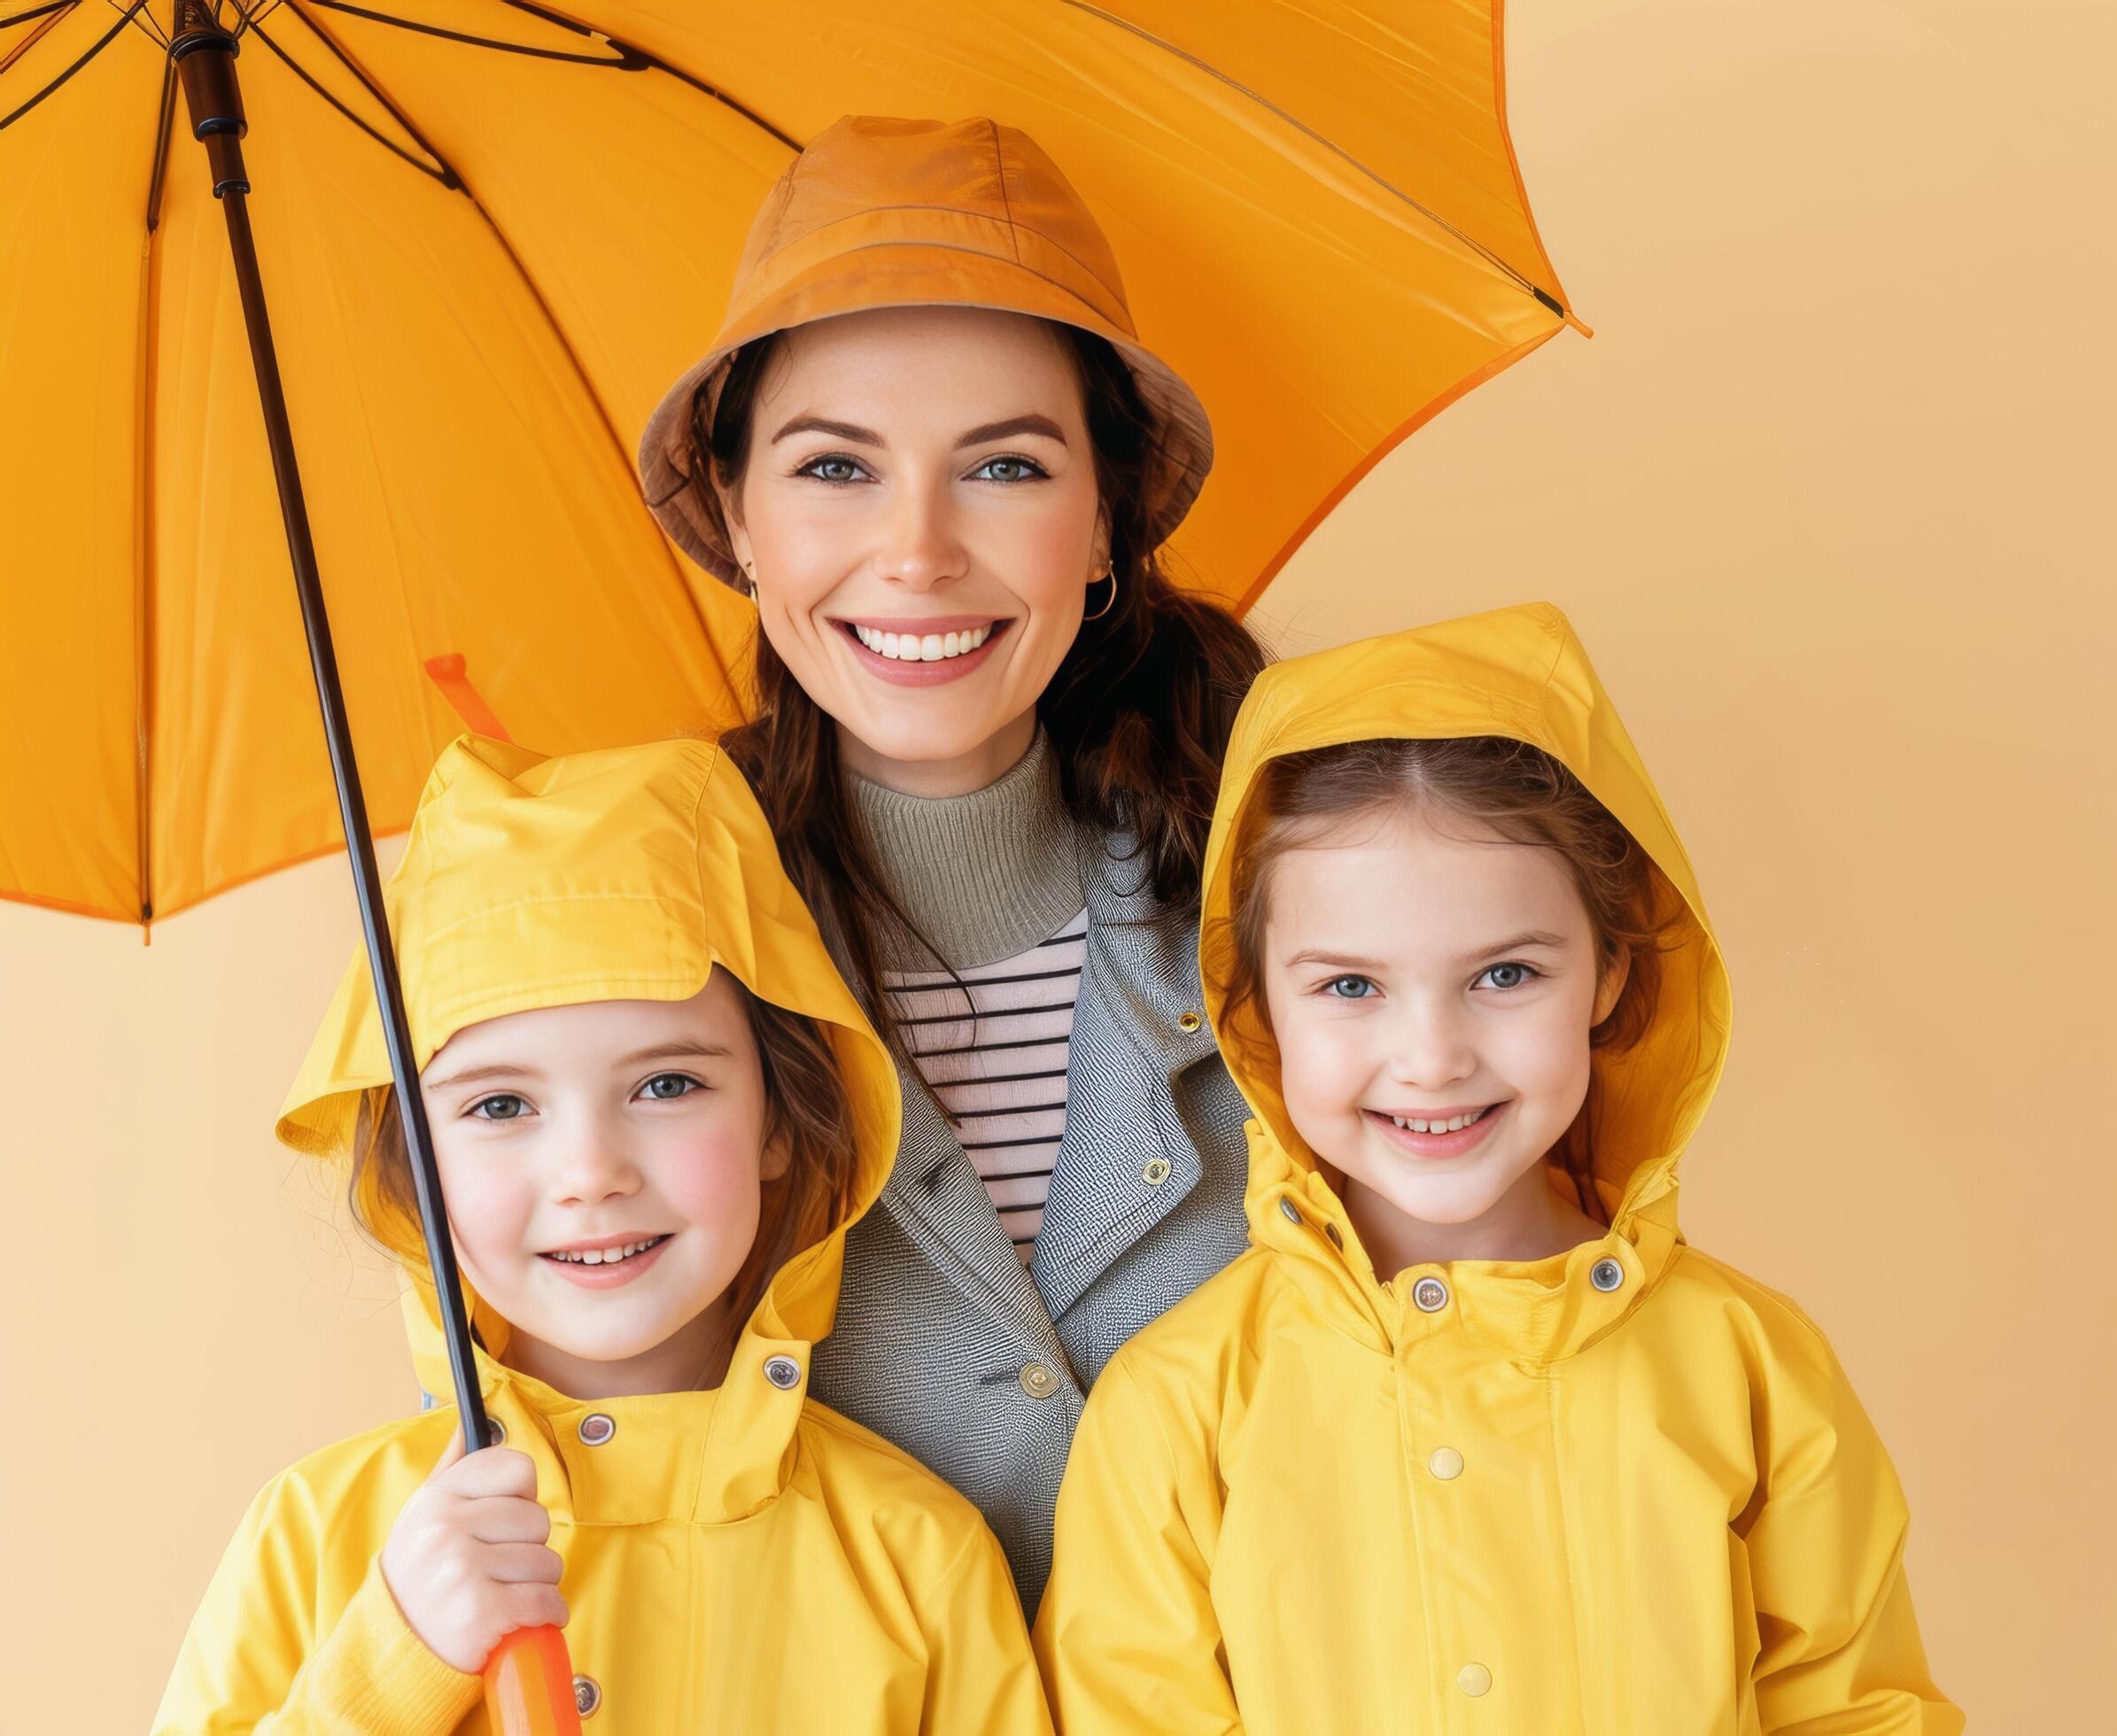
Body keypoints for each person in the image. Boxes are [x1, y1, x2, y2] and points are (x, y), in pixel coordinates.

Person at [1035, 604, 1965, 1732]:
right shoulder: (1176, 1406)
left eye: (1505, 975)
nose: (1432, 1059)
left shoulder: (1754, 1370)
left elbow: (1855, 1709)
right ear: (1256, 1005)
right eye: (1350, 986)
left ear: (1611, 975)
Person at [636, 113, 1265, 1614]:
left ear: (1104, 518)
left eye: (1002, 466)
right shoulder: (645, 951)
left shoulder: (1291, 912)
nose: (917, 552)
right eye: (836, 467)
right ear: (738, 514)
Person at [155, 736, 1048, 1732]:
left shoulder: (917, 1562)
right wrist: (391, 1668)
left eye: (667, 1084)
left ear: (780, 1121)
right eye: (499, 1106)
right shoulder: (318, 1539)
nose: (589, 1173)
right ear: (415, 1164)